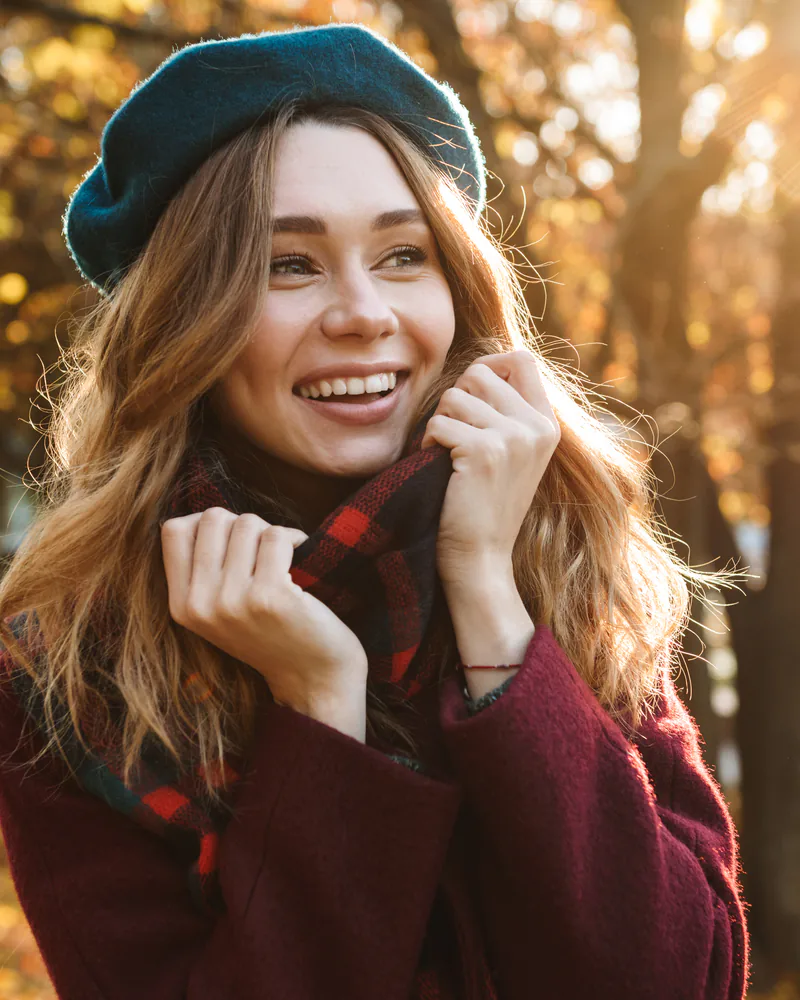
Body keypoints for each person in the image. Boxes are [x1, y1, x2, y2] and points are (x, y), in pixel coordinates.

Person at [0, 21, 749, 1000]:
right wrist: (321, 711)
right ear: (183, 322)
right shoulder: (69, 669)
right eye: (288, 265)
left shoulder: (566, 554)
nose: (363, 313)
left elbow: (673, 979)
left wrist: (488, 599)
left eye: (403, 255)